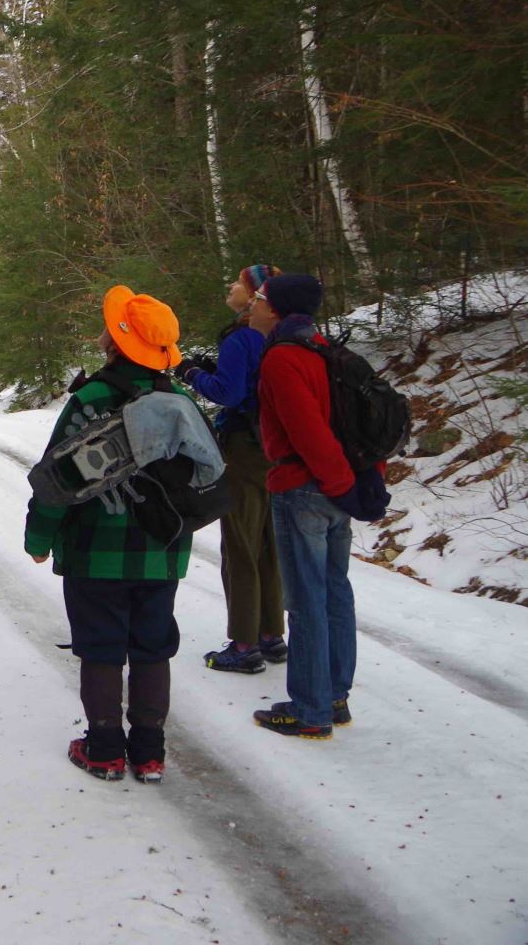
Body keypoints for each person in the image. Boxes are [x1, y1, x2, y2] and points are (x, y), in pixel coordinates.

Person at [25, 285, 194, 784]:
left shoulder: (91, 398)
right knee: (153, 644)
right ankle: (149, 752)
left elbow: (57, 479)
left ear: (117, 341)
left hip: (94, 550)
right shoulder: (178, 399)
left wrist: (39, 538)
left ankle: (102, 749)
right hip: (163, 550)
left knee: (100, 645)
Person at [248, 274, 383, 739]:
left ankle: (310, 710)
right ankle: (333, 695)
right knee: (333, 591)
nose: (253, 305)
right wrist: (351, 486)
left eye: (261, 299)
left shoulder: (284, 358)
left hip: (305, 487)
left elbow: (308, 431)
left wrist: (339, 484)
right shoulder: (324, 349)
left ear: (278, 310)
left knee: (307, 600)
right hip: (333, 489)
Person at [179, 265, 287, 674]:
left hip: (244, 448)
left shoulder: (243, 337)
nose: (230, 287)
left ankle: (244, 643)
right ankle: (271, 635)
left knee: (240, 542)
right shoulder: (281, 337)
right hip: (276, 449)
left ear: (255, 294)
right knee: (267, 542)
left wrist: (190, 373)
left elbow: (228, 393)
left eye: (239, 284)